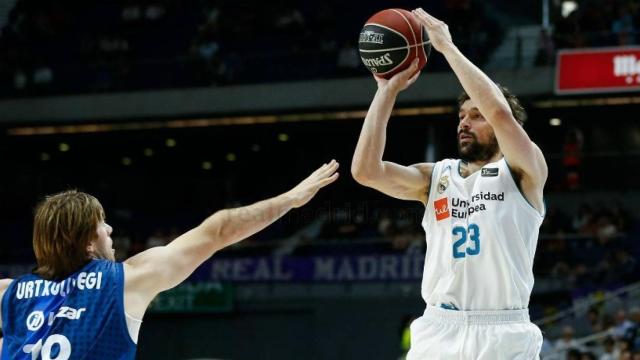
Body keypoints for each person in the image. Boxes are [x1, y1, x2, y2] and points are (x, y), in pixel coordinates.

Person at [351, 8, 547, 359]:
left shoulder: (525, 170)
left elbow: (500, 113)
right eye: (461, 116)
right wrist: (386, 91)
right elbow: (365, 171)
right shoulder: (436, 176)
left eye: (475, 116)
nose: (464, 123)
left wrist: (448, 49)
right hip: (439, 328)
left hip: (503, 333)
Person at [0, 160, 339, 359]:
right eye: (102, 225)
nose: (110, 229)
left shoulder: (10, 295)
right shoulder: (125, 280)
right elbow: (218, 230)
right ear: (89, 242)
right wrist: (291, 200)